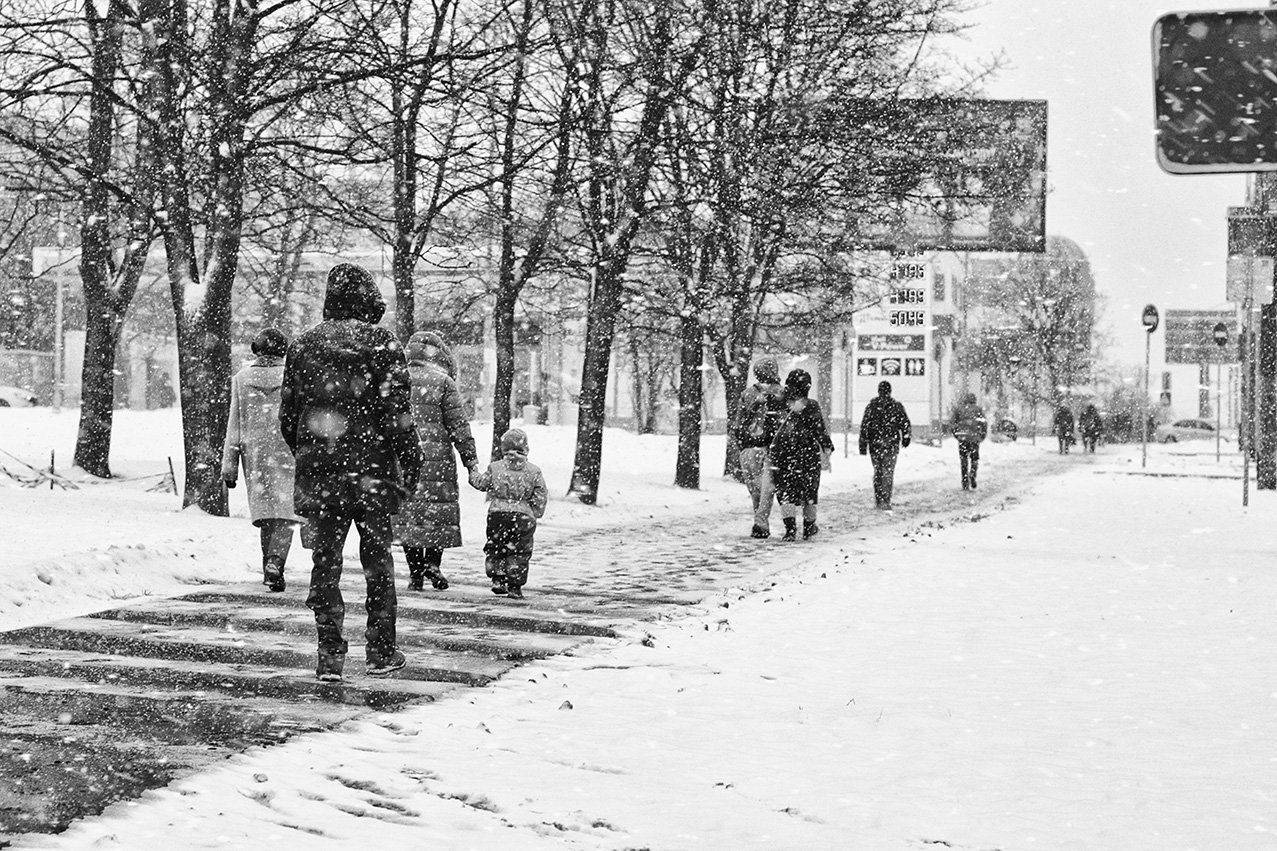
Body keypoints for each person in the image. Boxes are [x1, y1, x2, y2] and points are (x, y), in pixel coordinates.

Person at [280, 264, 421, 682]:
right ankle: (379, 649)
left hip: (322, 474)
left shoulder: (303, 345)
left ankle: (329, 654)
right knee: (377, 560)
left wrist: (314, 451)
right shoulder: (383, 344)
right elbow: (398, 414)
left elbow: (289, 417)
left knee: (325, 561)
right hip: (372, 471)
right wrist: (409, 463)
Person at [393, 331, 480, 592]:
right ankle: (433, 563)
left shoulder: (397, 380)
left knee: (410, 516)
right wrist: (471, 461)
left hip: (405, 459)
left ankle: (415, 573)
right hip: (438, 460)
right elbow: (459, 426)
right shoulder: (443, 382)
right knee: (437, 512)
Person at [222, 328, 304, 592]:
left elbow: (234, 425)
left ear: (256, 349)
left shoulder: (241, 379)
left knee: (266, 513)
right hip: (288, 451)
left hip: (254, 453)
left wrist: (229, 466)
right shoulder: (293, 377)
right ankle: (276, 562)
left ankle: (269, 567)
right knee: (287, 513)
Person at [473, 428, 548, 599]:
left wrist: (473, 475)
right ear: (526, 447)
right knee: (520, 550)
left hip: (498, 513)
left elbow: (482, 484)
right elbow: (541, 494)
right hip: (523, 516)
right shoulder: (534, 471)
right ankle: (515, 585)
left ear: (503, 448)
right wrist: (534, 511)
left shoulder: (495, 468)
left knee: (496, 545)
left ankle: (498, 577)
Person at [768, 369, 834, 541]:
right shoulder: (811, 405)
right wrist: (827, 446)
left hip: (782, 455)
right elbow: (819, 429)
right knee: (810, 492)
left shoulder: (777, 404)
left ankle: (790, 530)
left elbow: (770, 425)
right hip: (807, 455)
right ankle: (808, 528)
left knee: (785, 491)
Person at [732, 358, 787, 538]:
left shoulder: (747, 393)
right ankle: (761, 521)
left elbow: (738, 423)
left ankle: (761, 522)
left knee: (756, 488)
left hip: (748, 448)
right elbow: (784, 421)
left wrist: (742, 441)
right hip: (768, 447)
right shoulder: (781, 393)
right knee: (767, 487)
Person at [859, 380, 911, 510]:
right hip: (891, 444)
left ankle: (879, 498)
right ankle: (885, 500)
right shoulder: (896, 406)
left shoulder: (872, 406)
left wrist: (863, 443)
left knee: (878, 471)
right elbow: (905, 423)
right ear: (890, 391)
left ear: (879, 391)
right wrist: (906, 437)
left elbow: (865, 425)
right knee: (888, 472)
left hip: (875, 445)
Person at [949, 391, 988, 491]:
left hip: (963, 438)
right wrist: (982, 435)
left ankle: (965, 480)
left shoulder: (959, 409)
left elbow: (952, 423)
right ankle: (973, 474)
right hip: (974, 438)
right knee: (974, 459)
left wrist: (957, 435)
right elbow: (983, 423)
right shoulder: (978, 410)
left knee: (963, 459)